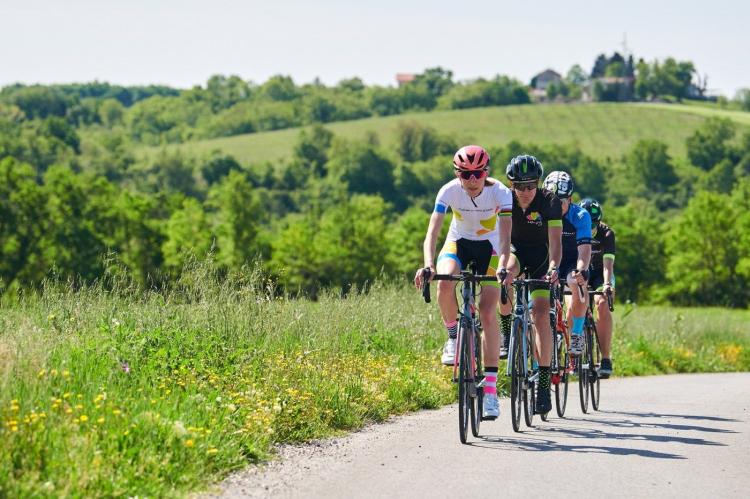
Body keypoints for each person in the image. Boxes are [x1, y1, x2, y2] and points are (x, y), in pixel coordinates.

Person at [414, 145, 513, 420]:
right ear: (457, 173)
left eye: (478, 173)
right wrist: (428, 264)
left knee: (487, 310)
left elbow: (505, 238)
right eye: (465, 174)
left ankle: (491, 392)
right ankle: (454, 335)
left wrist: (504, 266)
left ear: (486, 172)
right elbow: (432, 233)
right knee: (444, 284)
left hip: (491, 248)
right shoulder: (448, 191)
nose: (472, 180)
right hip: (459, 243)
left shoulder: (501, 193)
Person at [497, 155, 562, 415]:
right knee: (506, 275)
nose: (525, 192)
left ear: (538, 183)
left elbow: (555, 242)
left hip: (541, 256)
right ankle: (505, 333)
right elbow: (500, 237)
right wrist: (501, 265)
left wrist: (555, 267)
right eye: (519, 186)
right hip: (515, 250)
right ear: (510, 184)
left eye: (530, 186)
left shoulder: (549, 201)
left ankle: (543, 383)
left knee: (540, 314)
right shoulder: (505, 198)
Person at [542, 171, 592, 357]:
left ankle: (577, 332)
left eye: (560, 201)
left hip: (572, 261)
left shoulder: (580, 215)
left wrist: (582, 269)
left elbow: (585, 249)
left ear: (570, 199)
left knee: (576, 283)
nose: (555, 205)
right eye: (552, 200)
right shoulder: (541, 213)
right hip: (548, 261)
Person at [580, 198, 616, 377]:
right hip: (581, 271)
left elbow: (608, 265)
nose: (591, 228)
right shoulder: (573, 227)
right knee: (574, 300)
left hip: (600, 274)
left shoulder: (606, 234)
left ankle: (606, 358)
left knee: (601, 303)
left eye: (594, 224)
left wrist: (608, 284)